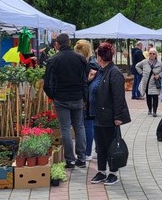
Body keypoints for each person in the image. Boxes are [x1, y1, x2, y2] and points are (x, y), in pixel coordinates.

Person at [43, 33, 88, 169]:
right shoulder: (80, 59)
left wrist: (53, 95)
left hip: (61, 98)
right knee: (79, 127)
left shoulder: (53, 59)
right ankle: (82, 158)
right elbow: (84, 79)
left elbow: (47, 83)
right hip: (77, 97)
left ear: (57, 44)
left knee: (65, 129)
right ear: (69, 42)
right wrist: (84, 96)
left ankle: (70, 160)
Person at [89, 43, 130, 186]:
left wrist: (118, 116)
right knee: (100, 145)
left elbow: (118, 96)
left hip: (109, 115)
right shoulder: (100, 70)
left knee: (110, 144)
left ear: (100, 57)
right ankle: (101, 171)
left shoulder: (114, 72)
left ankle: (113, 172)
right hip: (98, 114)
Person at [74, 39, 99, 161]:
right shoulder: (93, 63)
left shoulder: (87, 65)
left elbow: (85, 83)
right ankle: (95, 150)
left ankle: (88, 152)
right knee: (92, 125)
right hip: (92, 98)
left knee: (88, 125)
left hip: (87, 99)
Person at [137, 48, 162, 117]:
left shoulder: (159, 63)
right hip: (147, 82)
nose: (151, 55)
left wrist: (159, 75)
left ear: (156, 55)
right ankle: (149, 109)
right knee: (148, 97)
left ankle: (154, 111)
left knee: (155, 96)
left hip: (155, 82)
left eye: (153, 53)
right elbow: (137, 66)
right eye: (150, 53)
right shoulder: (145, 62)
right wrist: (141, 73)